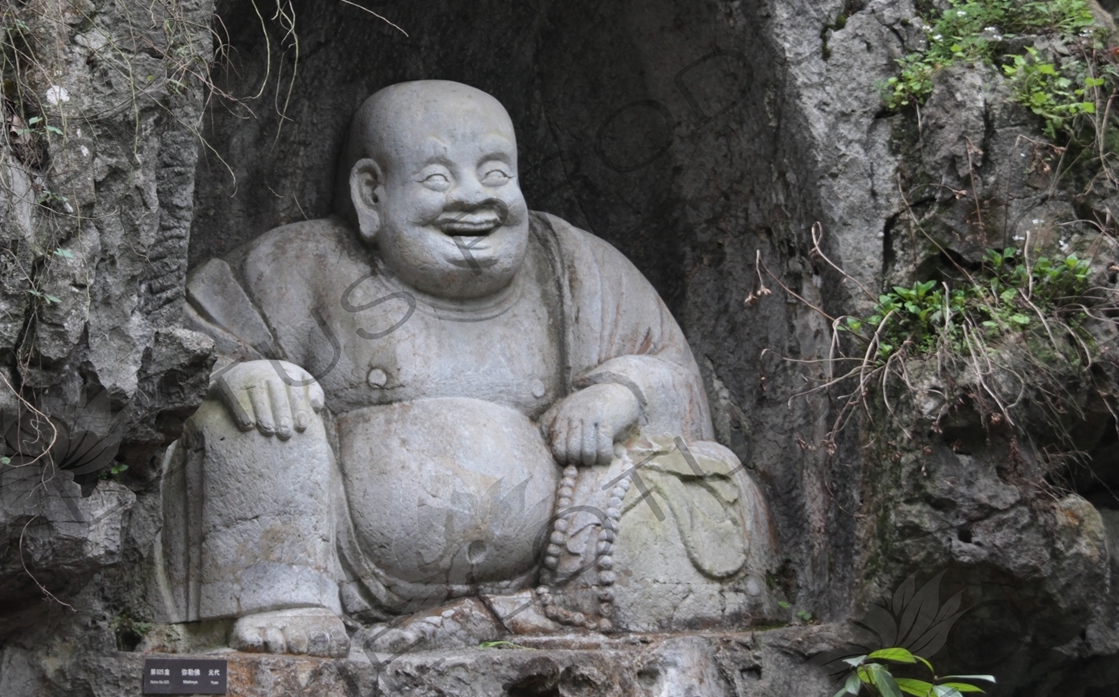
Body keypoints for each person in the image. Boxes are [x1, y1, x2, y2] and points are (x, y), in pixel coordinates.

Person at [163, 80, 774, 656]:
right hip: (344, 562)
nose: (475, 196)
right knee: (249, 415)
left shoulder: (575, 268)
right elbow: (187, 341)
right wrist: (239, 373)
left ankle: (535, 612)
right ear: (372, 195)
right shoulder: (299, 266)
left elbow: (675, 371)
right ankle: (286, 599)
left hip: (561, 558)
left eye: (496, 174)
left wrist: (620, 393)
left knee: (701, 480)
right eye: (436, 177)